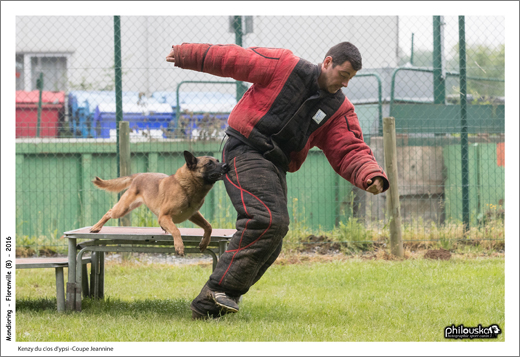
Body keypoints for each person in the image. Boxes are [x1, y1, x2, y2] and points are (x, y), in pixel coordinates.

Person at [166, 42, 389, 319]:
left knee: (274, 236)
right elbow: (237, 59)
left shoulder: (338, 109)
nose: (344, 83)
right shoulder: (285, 66)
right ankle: (217, 291)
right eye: (342, 74)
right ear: (328, 61)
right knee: (266, 219)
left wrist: (370, 173)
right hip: (245, 148)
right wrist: (189, 54)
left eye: (350, 79)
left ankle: (216, 304)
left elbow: (350, 147)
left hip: (275, 164)